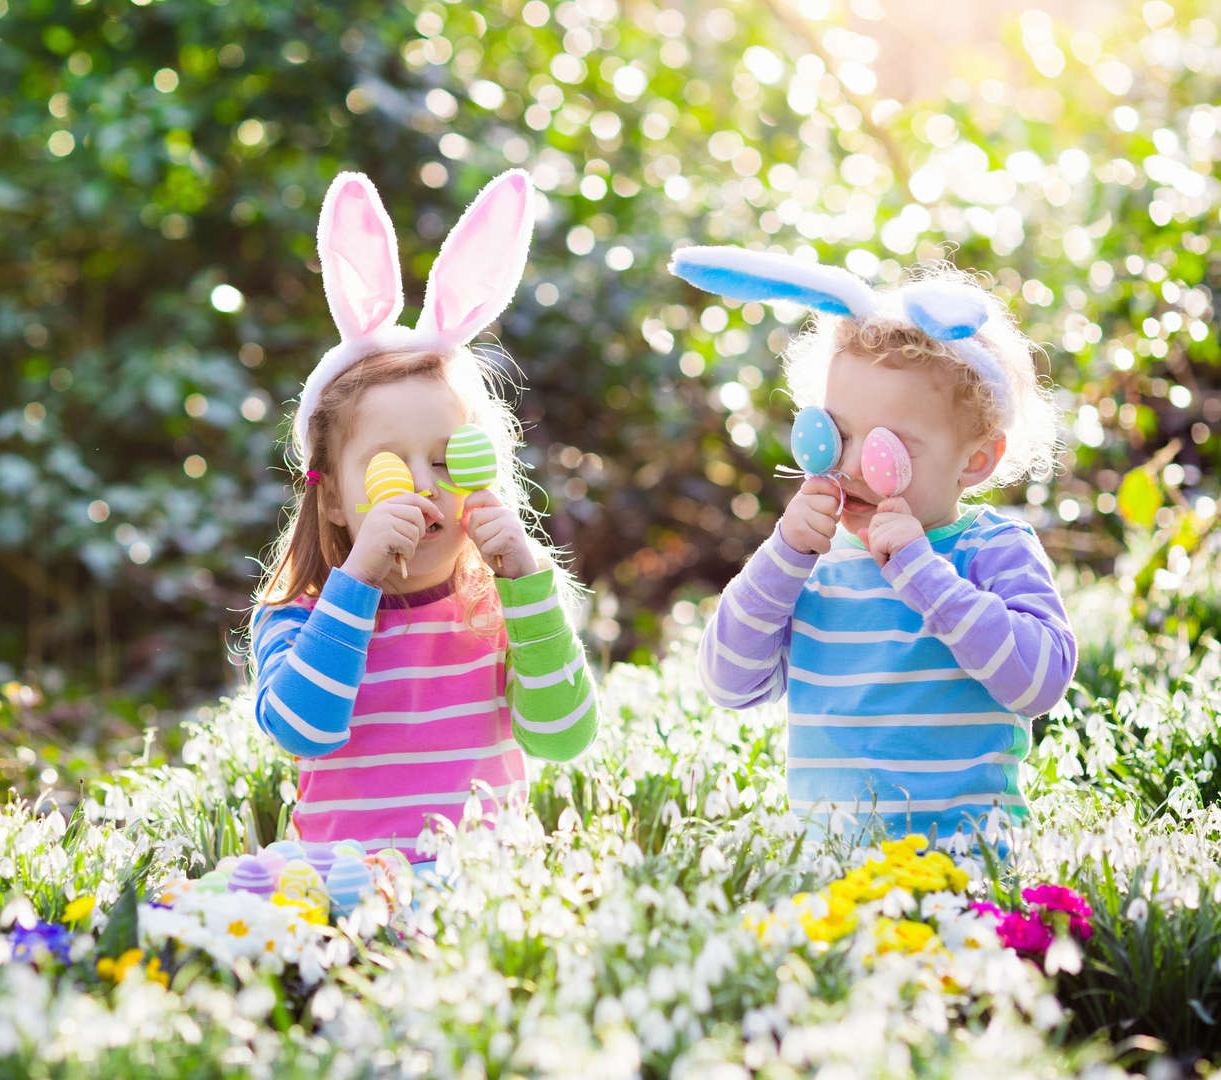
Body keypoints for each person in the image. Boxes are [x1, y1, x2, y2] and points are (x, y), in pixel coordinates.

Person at [670, 247, 1076, 846]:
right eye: (836, 432)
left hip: (964, 860)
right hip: (828, 866)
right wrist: (783, 556)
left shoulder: (993, 548)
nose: (852, 466)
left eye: (891, 447)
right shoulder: (813, 564)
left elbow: (1039, 682)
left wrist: (925, 575)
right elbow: (728, 683)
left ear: (977, 459)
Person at [249, 169, 598, 865]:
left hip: (476, 885)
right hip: (340, 886)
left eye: (449, 461)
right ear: (334, 497)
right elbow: (299, 730)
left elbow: (563, 737)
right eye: (387, 468)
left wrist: (527, 584)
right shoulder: (298, 615)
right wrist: (359, 578)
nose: (422, 488)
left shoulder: (499, 608)